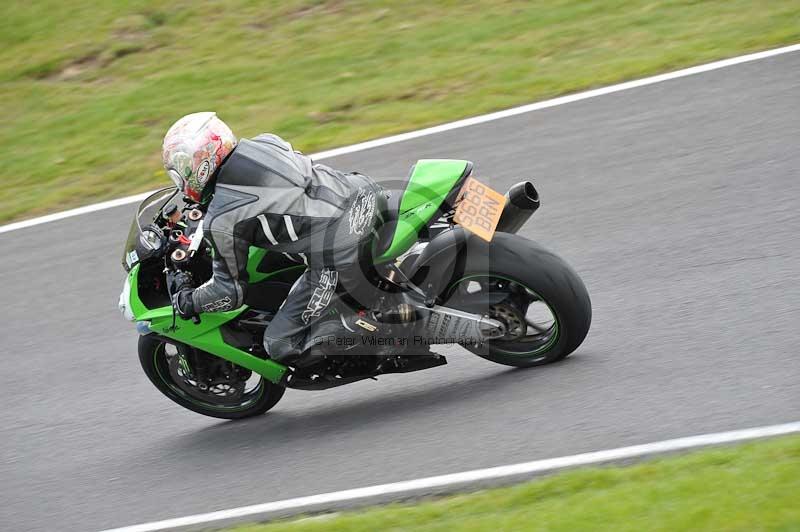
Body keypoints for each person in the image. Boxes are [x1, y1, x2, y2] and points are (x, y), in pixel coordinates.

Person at [163, 112, 384, 363]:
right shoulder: (265, 142)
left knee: (279, 344)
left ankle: (379, 337)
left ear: (197, 167)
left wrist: (187, 301)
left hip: (342, 249)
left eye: (180, 170)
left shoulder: (223, 220)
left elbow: (229, 293)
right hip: (365, 193)